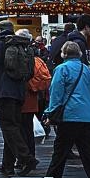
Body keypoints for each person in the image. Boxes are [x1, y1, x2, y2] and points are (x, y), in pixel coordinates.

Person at [0, 20, 38, 177]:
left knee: (9, 127)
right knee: (13, 127)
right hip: (19, 91)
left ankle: (26, 158)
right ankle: (7, 165)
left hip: (4, 92)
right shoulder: (22, 45)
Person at [44, 41, 90, 178]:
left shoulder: (61, 69)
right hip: (88, 117)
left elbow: (56, 93)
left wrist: (50, 113)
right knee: (89, 154)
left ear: (63, 54)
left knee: (60, 154)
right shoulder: (88, 70)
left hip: (69, 117)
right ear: (80, 54)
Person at [19, 30, 52, 159]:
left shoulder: (24, 58)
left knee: (22, 129)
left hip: (25, 96)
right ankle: (30, 154)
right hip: (36, 96)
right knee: (28, 128)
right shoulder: (38, 60)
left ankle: (25, 157)